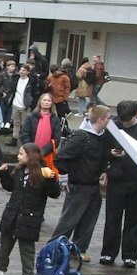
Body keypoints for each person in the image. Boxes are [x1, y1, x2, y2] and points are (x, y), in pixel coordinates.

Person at [47, 104, 111, 261]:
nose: (111, 122)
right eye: (108, 118)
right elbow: (61, 157)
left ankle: (79, 248)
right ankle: (53, 248)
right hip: (78, 185)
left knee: (88, 220)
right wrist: (63, 179)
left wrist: (104, 170)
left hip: (92, 184)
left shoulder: (102, 137)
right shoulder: (81, 137)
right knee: (69, 220)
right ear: (101, 119)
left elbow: (100, 158)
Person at [0, 141, 60, 275]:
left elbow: (54, 193)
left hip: (30, 216)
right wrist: (3, 174)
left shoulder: (43, 172)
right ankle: (0, 269)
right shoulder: (19, 171)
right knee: (5, 244)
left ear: (31, 156)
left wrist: (51, 179)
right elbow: (9, 186)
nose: (18, 156)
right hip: (13, 214)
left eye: (21, 154)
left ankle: (28, 274)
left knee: (27, 247)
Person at [100, 100, 137, 269]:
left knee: (134, 219)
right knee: (112, 218)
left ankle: (130, 255)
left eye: (128, 120)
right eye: (122, 120)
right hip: (117, 178)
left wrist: (128, 154)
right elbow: (103, 148)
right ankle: (108, 252)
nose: (124, 123)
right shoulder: (113, 127)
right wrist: (110, 155)